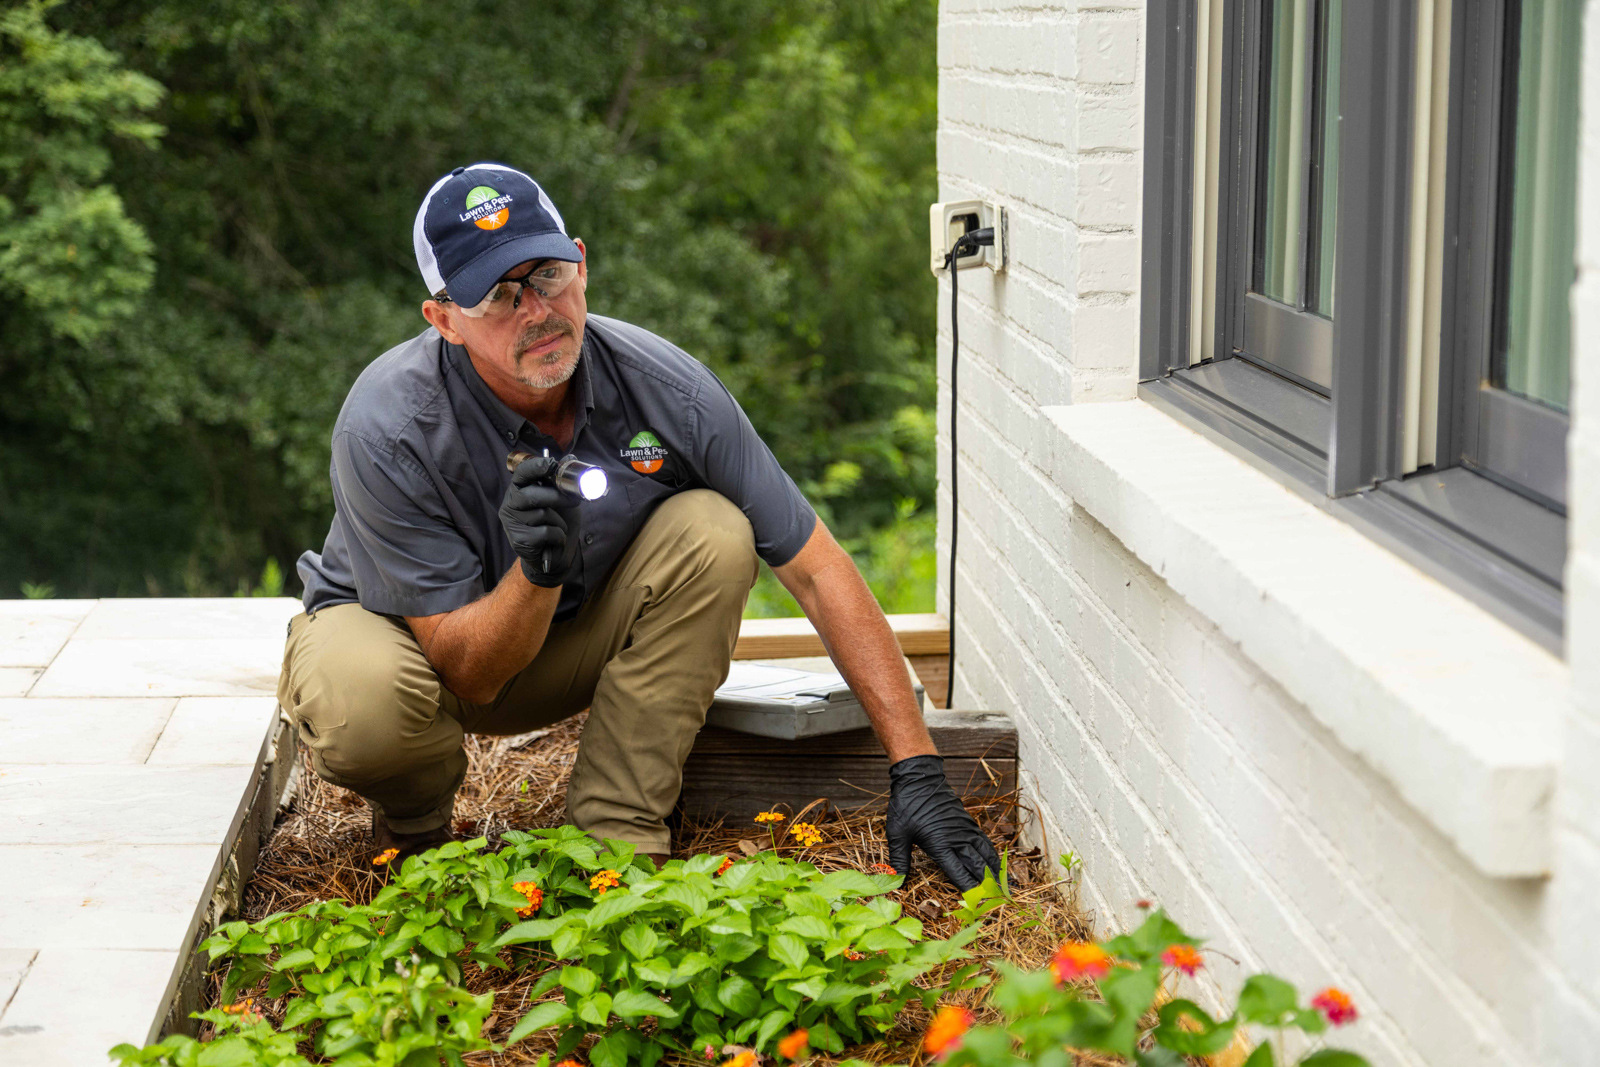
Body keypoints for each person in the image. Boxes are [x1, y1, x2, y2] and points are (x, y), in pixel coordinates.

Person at [277, 162, 1002, 889]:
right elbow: (470, 672)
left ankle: (617, 840)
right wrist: (537, 571)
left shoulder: (668, 388)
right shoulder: (387, 423)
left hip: (564, 637)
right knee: (362, 702)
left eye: (549, 274)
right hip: (417, 647)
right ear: (444, 321)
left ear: (583, 265)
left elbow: (816, 568)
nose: (536, 310)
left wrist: (918, 767)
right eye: (497, 294)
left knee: (716, 531)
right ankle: (415, 833)